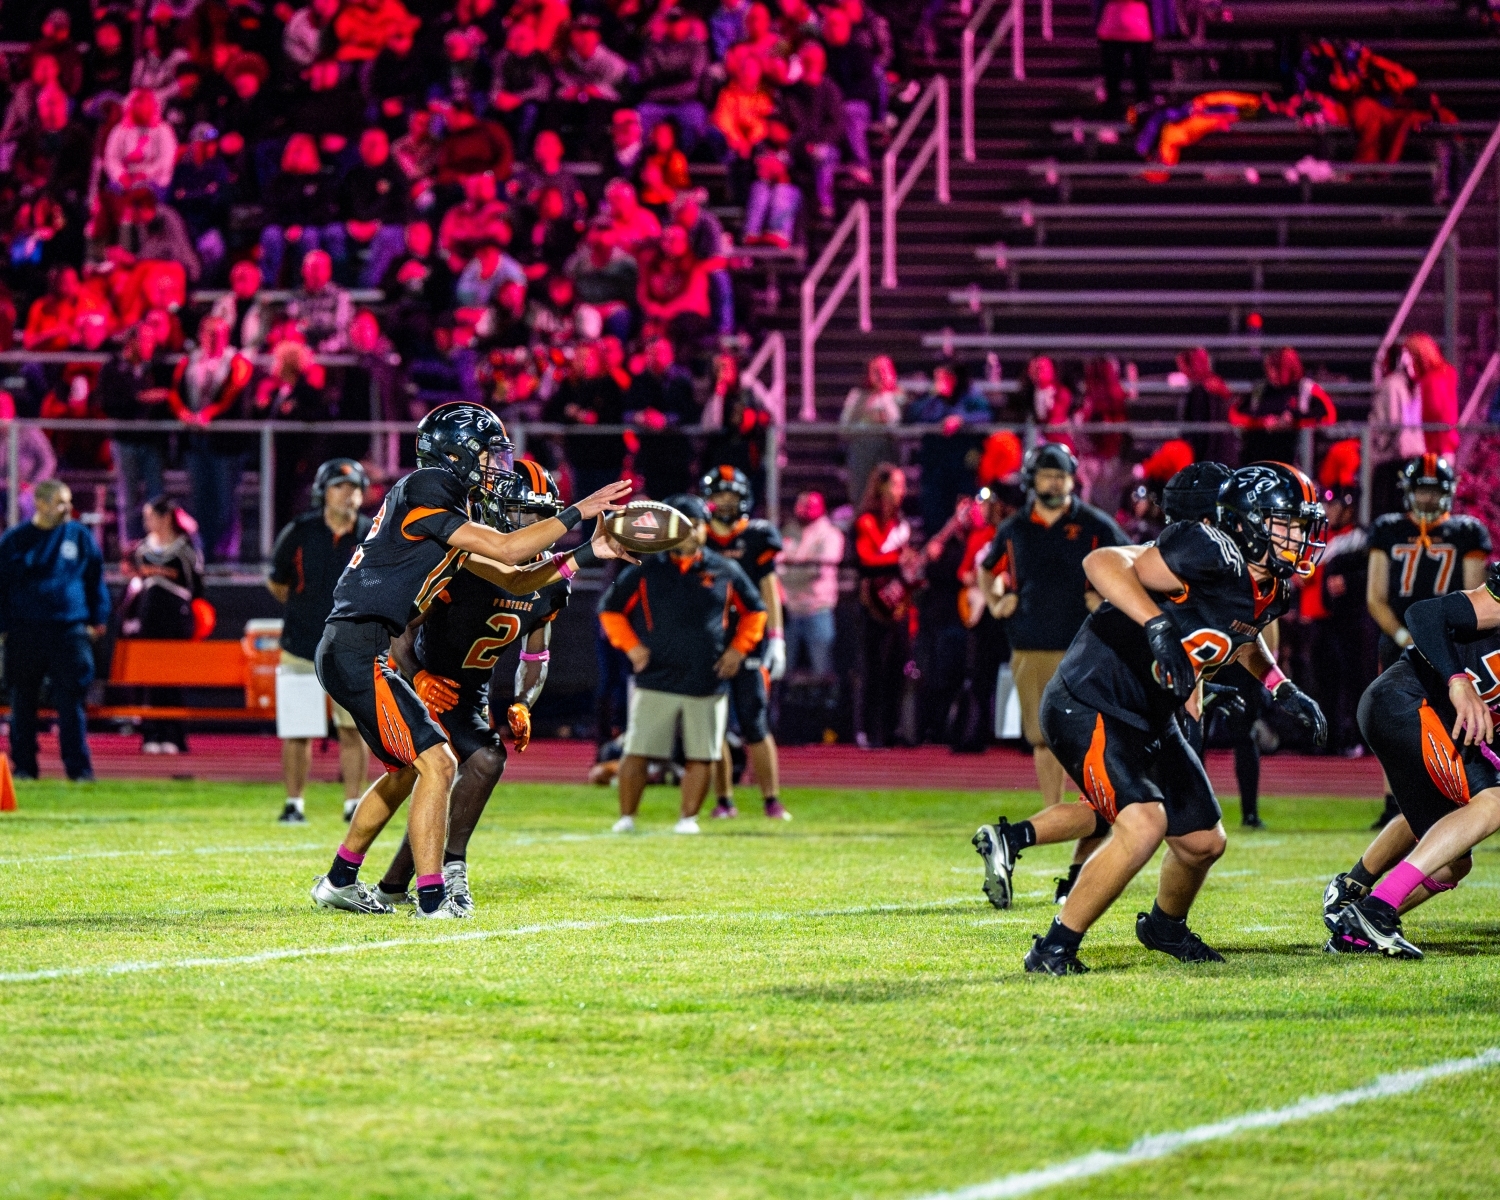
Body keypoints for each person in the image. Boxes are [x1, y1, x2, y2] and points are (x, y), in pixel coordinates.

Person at [999, 463, 1329, 973]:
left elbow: (1241, 634)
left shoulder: (1273, 587)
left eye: (1303, 526)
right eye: (1288, 524)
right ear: (1248, 523)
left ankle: (1164, 927)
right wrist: (1155, 624)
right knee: (1143, 824)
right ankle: (1053, 948)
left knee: (1202, 842)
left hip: (1151, 713)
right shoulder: (1207, 550)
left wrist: (1280, 686)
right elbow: (1102, 561)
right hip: (1092, 697)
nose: (1300, 537)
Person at [310, 403, 633, 917]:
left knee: (407, 771)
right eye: (487, 455)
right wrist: (579, 512)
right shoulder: (427, 487)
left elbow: (516, 579)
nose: (495, 466)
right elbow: (507, 550)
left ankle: (339, 881)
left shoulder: (446, 517)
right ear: (455, 453)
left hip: (360, 646)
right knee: (439, 763)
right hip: (356, 645)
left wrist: (589, 553)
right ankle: (432, 897)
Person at [372, 463, 571, 911]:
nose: (539, 525)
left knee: (453, 779)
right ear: (499, 511)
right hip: (431, 685)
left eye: (545, 515)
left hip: (471, 695)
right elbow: (400, 630)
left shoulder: (550, 582)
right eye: (526, 513)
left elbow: (536, 655)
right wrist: (417, 676)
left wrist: (523, 702)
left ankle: (391, 885)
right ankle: (449, 867)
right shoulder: (465, 562)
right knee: (482, 761)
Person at [972, 442, 1129, 903]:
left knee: (1093, 743)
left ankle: (1060, 824)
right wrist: (996, 601)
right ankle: (1052, 814)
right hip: (1031, 643)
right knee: (1042, 737)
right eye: (1047, 474)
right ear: (1032, 480)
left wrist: (1107, 597)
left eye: (1061, 474)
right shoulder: (1014, 527)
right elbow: (986, 570)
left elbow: (1133, 562)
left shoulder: (1095, 524)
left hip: (1087, 645)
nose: (1055, 482)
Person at [1325, 569, 1500, 959]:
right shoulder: (1495, 608)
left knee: (1454, 858)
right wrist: (1458, 682)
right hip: (1407, 700)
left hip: (1423, 713)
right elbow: (1423, 614)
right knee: (1492, 803)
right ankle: (1375, 911)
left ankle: (1354, 906)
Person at [598, 493, 768, 834]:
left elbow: (756, 612)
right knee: (637, 750)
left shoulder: (726, 568)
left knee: (701, 754)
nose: (693, 531)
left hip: (707, 677)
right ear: (670, 529)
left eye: (699, 524)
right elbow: (610, 609)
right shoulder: (646, 568)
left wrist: (738, 651)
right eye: (686, 525)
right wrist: (632, 648)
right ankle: (626, 817)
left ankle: (687, 819)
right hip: (655, 675)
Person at [1364, 453, 1490, 826]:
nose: (1427, 497)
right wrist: (1402, 634)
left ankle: (1459, 792)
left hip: (1450, 644)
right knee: (1392, 719)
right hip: (1398, 640)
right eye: (1421, 489)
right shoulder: (1388, 528)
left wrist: (1440, 639)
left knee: (1454, 718)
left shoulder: (1466, 532)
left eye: (1434, 490)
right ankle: (1394, 803)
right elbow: (1375, 597)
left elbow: (1472, 597)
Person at [268, 459, 376, 825]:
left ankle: (353, 804)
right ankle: (294, 803)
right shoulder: (300, 531)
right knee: (298, 729)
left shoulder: (372, 534)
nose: (349, 494)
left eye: (355, 488)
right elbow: (277, 581)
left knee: (353, 728)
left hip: (351, 646)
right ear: (323, 492)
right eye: (340, 487)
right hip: (301, 642)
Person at [0, 480, 110, 781]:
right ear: (40, 503)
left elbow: (94, 577)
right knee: (22, 701)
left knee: (71, 700)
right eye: (60, 502)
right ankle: (24, 767)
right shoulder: (16, 540)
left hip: (68, 630)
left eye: (68, 501)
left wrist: (98, 616)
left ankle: (79, 769)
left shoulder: (79, 536)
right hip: (26, 631)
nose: (67, 508)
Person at [700, 467, 790, 820]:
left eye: (731, 495)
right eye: (719, 494)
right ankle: (724, 801)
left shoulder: (757, 536)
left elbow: (769, 591)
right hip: (710, 641)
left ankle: (772, 800)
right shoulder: (698, 535)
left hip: (749, 640)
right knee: (715, 726)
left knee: (755, 723)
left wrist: (777, 639)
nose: (725, 501)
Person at [118, 497, 206, 755]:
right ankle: (151, 733)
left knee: (172, 678)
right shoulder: (142, 550)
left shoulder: (184, 550)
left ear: (166, 517)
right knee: (149, 679)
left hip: (175, 620)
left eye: (151, 517)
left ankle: (173, 734)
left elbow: (196, 587)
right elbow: (134, 583)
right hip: (148, 620)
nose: (147, 522)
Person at [168, 315, 254, 563]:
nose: (214, 339)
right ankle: (201, 550)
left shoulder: (236, 362)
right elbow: (175, 392)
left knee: (225, 500)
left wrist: (210, 413)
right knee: (199, 498)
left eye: (219, 334)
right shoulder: (189, 361)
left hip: (225, 443)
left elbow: (233, 393)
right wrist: (184, 413)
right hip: (196, 440)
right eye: (210, 334)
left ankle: (226, 553)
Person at [853, 463, 916, 749]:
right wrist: (897, 560)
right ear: (882, 487)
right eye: (897, 485)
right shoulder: (867, 521)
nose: (902, 491)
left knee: (897, 668)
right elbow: (867, 560)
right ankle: (870, 730)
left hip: (898, 605)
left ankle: (892, 729)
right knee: (874, 669)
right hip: (873, 606)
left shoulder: (900, 524)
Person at [98, 322, 172, 547]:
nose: (150, 346)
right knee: (128, 497)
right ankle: (129, 546)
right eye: (146, 341)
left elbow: (168, 397)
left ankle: (158, 544)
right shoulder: (113, 368)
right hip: (125, 441)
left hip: (152, 440)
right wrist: (139, 398)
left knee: (156, 497)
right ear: (132, 342)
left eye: (152, 341)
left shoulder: (156, 368)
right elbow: (107, 402)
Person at [1229, 346, 1335, 464]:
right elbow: (1235, 415)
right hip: (1261, 455)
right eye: (1269, 368)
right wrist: (1261, 422)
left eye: (1276, 368)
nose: (1271, 373)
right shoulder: (1260, 389)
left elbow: (1329, 418)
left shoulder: (1307, 389)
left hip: (1296, 456)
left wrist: (1294, 421)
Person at [779, 490, 844, 677]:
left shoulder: (831, 534)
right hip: (789, 610)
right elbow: (776, 565)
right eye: (801, 504)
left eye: (809, 505)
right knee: (781, 671)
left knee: (822, 671)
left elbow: (818, 570)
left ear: (821, 507)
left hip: (818, 609)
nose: (804, 509)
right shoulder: (788, 531)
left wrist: (790, 569)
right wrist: (797, 568)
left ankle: (823, 697)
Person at [839, 354, 903, 509]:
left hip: (886, 455)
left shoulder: (899, 397)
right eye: (875, 371)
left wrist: (884, 397)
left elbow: (895, 427)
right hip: (861, 455)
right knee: (861, 497)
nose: (879, 375)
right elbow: (844, 428)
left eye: (883, 370)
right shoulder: (856, 396)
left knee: (885, 497)